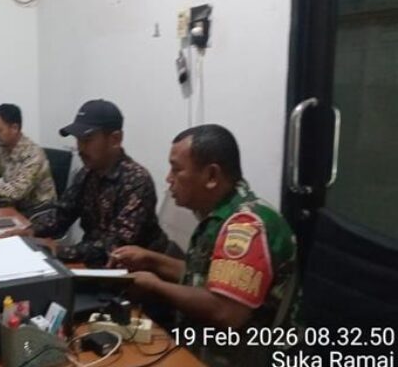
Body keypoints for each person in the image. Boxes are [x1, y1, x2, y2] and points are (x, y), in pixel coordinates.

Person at [109, 124, 298, 366]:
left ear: (211, 176)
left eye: (176, 169)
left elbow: (225, 311)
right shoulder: (222, 214)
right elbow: (205, 278)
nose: (168, 179)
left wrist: (155, 285)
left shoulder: (245, 226)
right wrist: (151, 260)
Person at [12, 99, 174, 267]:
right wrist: (30, 231)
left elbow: (115, 247)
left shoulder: (137, 181)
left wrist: (59, 250)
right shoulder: (87, 173)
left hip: (132, 273)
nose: (80, 148)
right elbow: (62, 215)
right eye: (78, 140)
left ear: (115, 139)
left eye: (87, 140)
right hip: (92, 264)